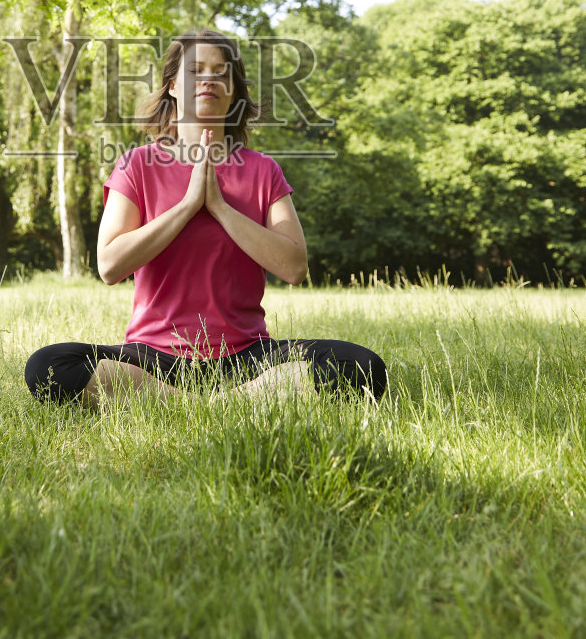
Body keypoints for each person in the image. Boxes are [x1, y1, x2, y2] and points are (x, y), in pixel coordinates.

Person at [24, 28, 387, 408]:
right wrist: (187, 205)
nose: (209, 79)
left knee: (361, 367)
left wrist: (219, 207)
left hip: (247, 358)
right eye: (196, 70)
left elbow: (294, 267)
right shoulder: (137, 164)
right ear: (173, 87)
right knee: (49, 366)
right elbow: (110, 266)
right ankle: (217, 405)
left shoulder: (262, 170)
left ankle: (200, 404)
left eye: (221, 72)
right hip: (152, 359)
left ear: (234, 91)